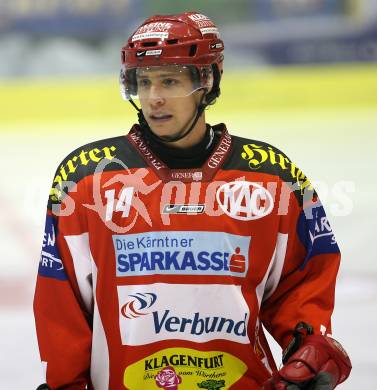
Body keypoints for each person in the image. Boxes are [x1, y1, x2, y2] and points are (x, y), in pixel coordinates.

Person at [33, 11, 352, 390]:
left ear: (208, 81)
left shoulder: (273, 176)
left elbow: (303, 282)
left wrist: (309, 346)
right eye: (144, 81)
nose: (154, 98)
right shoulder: (85, 178)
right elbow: (61, 302)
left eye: (170, 80)